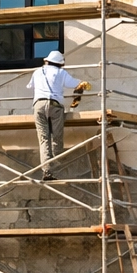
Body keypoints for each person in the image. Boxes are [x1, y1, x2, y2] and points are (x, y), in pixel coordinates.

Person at [27, 50, 89, 178]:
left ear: (47, 61)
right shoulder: (61, 73)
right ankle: (56, 166)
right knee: (56, 137)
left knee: (44, 139)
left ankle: (47, 170)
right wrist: (83, 83)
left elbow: (30, 86)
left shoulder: (37, 72)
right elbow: (75, 83)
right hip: (55, 105)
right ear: (60, 64)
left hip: (39, 105)